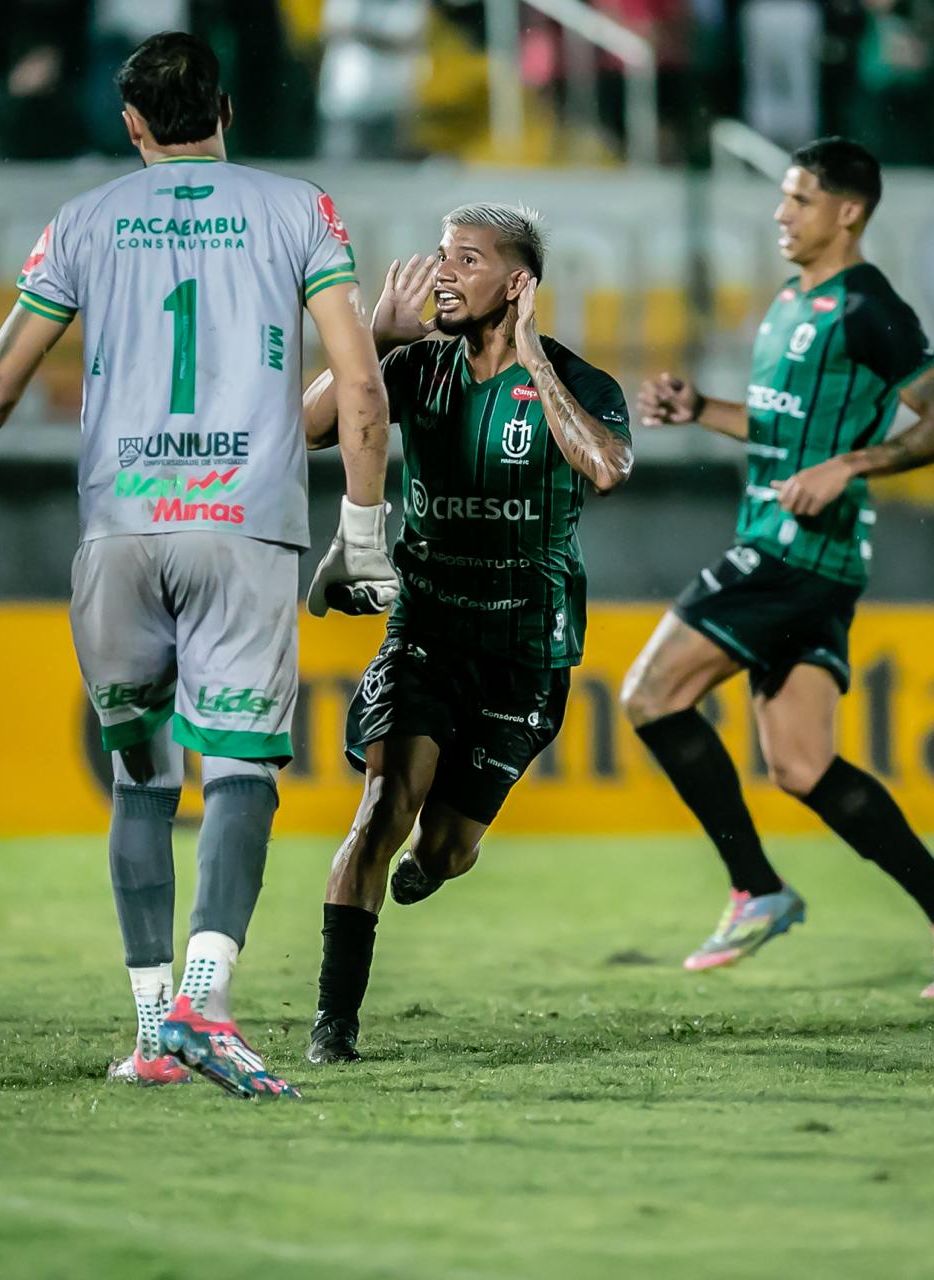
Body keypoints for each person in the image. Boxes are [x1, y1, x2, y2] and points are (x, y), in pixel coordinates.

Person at [0, 32, 397, 1098]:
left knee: (142, 779)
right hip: (240, 526)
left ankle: (155, 1032)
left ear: (132, 125)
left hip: (118, 530)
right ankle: (205, 998)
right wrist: (364, 530)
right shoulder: (297, 208)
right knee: (238, 771)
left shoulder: (82, 221)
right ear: (227, 110)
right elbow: (359, 383)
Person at [623, 136, 934, 997]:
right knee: (801, 766)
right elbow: (786, 426)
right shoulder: (792, 301)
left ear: (848, 212)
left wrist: (847, 467)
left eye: (800, 199)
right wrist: (700, 409)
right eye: (783, 197)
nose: (781, 213)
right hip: (802, 555)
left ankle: (756, 888)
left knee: (651, 695)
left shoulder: (868, 305)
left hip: (792, 552)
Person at [301, 204, 634, 1062]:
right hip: (427, 628)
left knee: (445, 848)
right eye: (441, 255)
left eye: (467, 260)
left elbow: (605, 467)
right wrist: (370, 340)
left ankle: (435, 862)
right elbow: (304, 429)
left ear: (518, 284)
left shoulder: (578, 381)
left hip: (525, 651)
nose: (442, 273)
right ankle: (334, 1023)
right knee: (383, 806)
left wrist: (531, 355)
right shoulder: (416, 366)